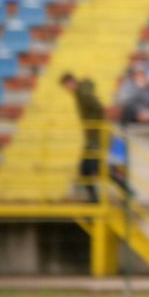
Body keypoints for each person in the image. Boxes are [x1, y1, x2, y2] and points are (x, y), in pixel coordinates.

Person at [60, 72, 104, 202]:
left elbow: (98, 107)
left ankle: (95, 199)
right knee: (93, 168)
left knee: (88, 169)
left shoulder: (82, 93)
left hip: (94, 137)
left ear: (70, 82)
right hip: (93, 137)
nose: (67, 89)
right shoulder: (81, 92)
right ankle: (95, 199)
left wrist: (94, 124)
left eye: (66, 86)